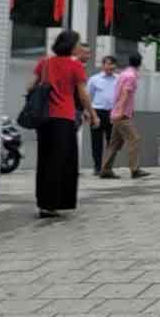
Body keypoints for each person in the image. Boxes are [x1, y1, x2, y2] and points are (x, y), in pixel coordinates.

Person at [28, 30, 98, 218]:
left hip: (44, 119)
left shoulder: (45, 63)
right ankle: (55, 203)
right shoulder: (75, 66)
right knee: (62, 161)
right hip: (64, 119)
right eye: (77, 44)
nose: (78, 47)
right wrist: (93, 114)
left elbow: (30, 86)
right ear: (71, 45)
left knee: (45, 160)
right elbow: (83, 95)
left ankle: (44, 203)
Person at [99, 54, 149, 180]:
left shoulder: (123, 74)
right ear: (140, 63)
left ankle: (105, 170)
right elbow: (125, 94)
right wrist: (120, 112)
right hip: (122, 114)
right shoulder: (131, 76)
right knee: (134, 139)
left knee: (114, 143)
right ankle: (135, 169)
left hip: (117, 112)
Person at [87, 56, 120, 175]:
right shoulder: (94, 79)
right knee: (96, 142)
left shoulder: (119, 79)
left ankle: (107, 167)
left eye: (113, 64)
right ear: (103, 65)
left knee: (112, 142)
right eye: (108, 64)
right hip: (97, 112)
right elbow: (88, 97)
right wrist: (89, 113)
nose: (111, 67)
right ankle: (97, 167)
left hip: (113, 113)